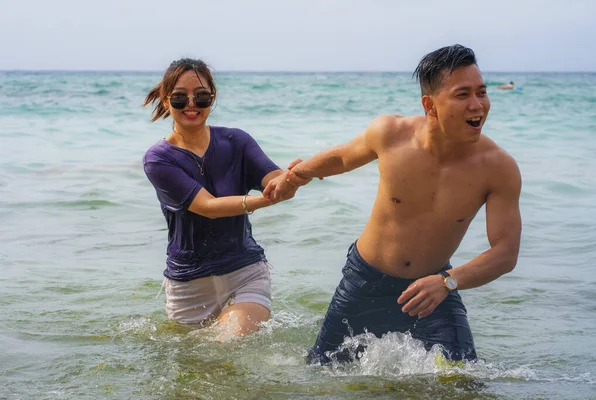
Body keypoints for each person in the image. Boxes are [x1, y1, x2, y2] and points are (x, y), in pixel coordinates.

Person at [264, 44, 522, 364]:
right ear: (430, 105)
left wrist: (448, 282)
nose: (478, 105)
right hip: (364, 282)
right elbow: (343, 157)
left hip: (431, 289)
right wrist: (295, 176)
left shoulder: (498, 168)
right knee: (320, 372)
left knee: (463, 380)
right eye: (463, 94)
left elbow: (505, 253)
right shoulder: (391, 134)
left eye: (481, 93)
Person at [142, 58, 304, 338]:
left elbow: (272, 177)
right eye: (180, 97)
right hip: (188, 285)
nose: (191, 104)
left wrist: (292, 178)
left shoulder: (236, 141)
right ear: (167, 101)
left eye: (201, 96)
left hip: (245, 271)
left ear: (212, 97)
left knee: (228, 346)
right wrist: (266, 200)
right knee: (199, 371)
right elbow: (208, 208)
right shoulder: (158, 159)